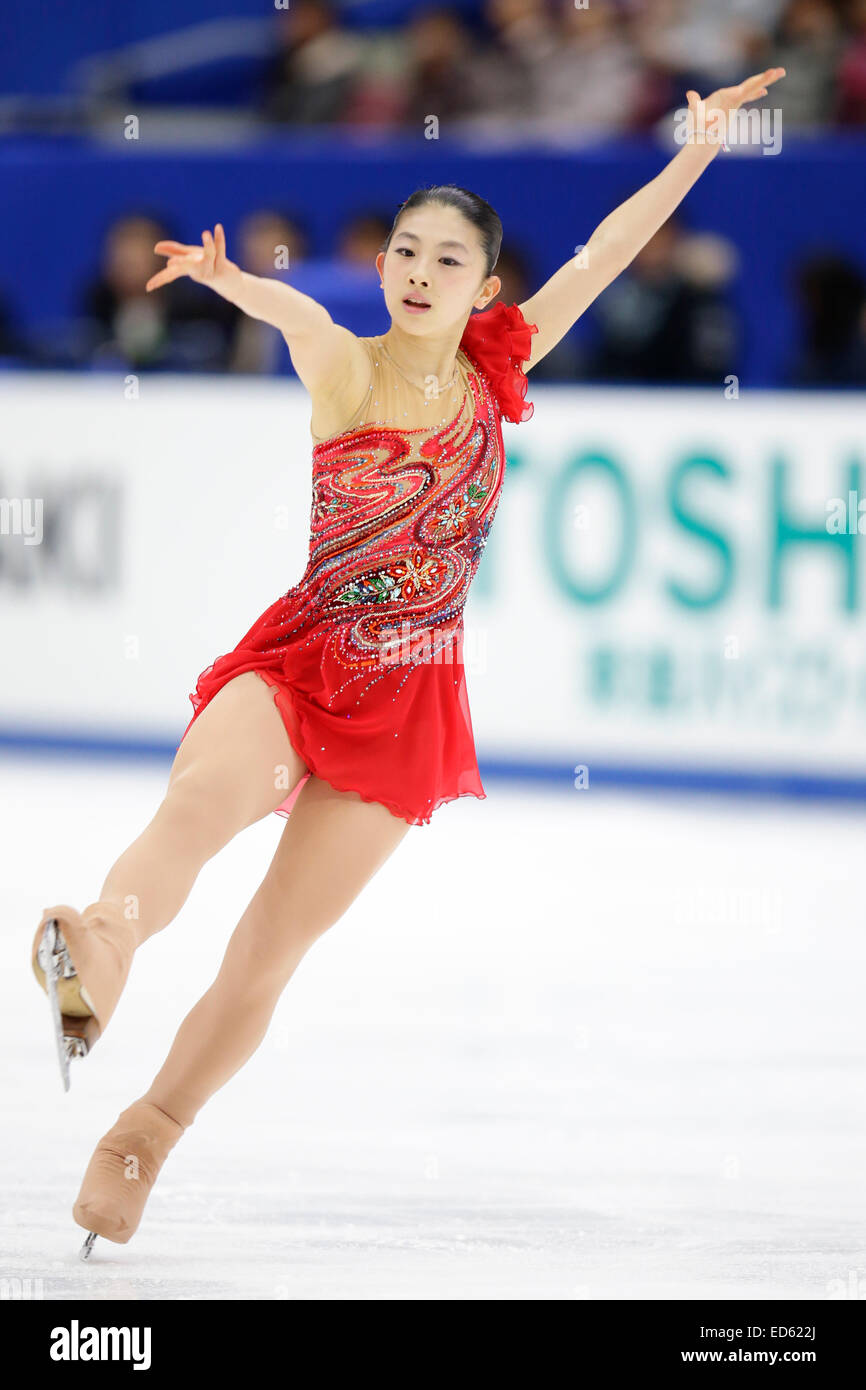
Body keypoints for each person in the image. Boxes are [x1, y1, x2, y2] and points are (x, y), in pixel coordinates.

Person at [31, 66, 785, 1254]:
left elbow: (601, 254)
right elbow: (300, 321)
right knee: (192, 811)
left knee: (268, 949)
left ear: (485, 287)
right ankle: (100, 946)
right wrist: (238, 284)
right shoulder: (347, 367)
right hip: (300, 665)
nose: (419, 272)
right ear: (382, 266)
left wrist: (692, 149)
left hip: (407, 702)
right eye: (404, 251)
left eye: (447, 259)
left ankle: (145, 1134)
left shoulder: (497, 365)